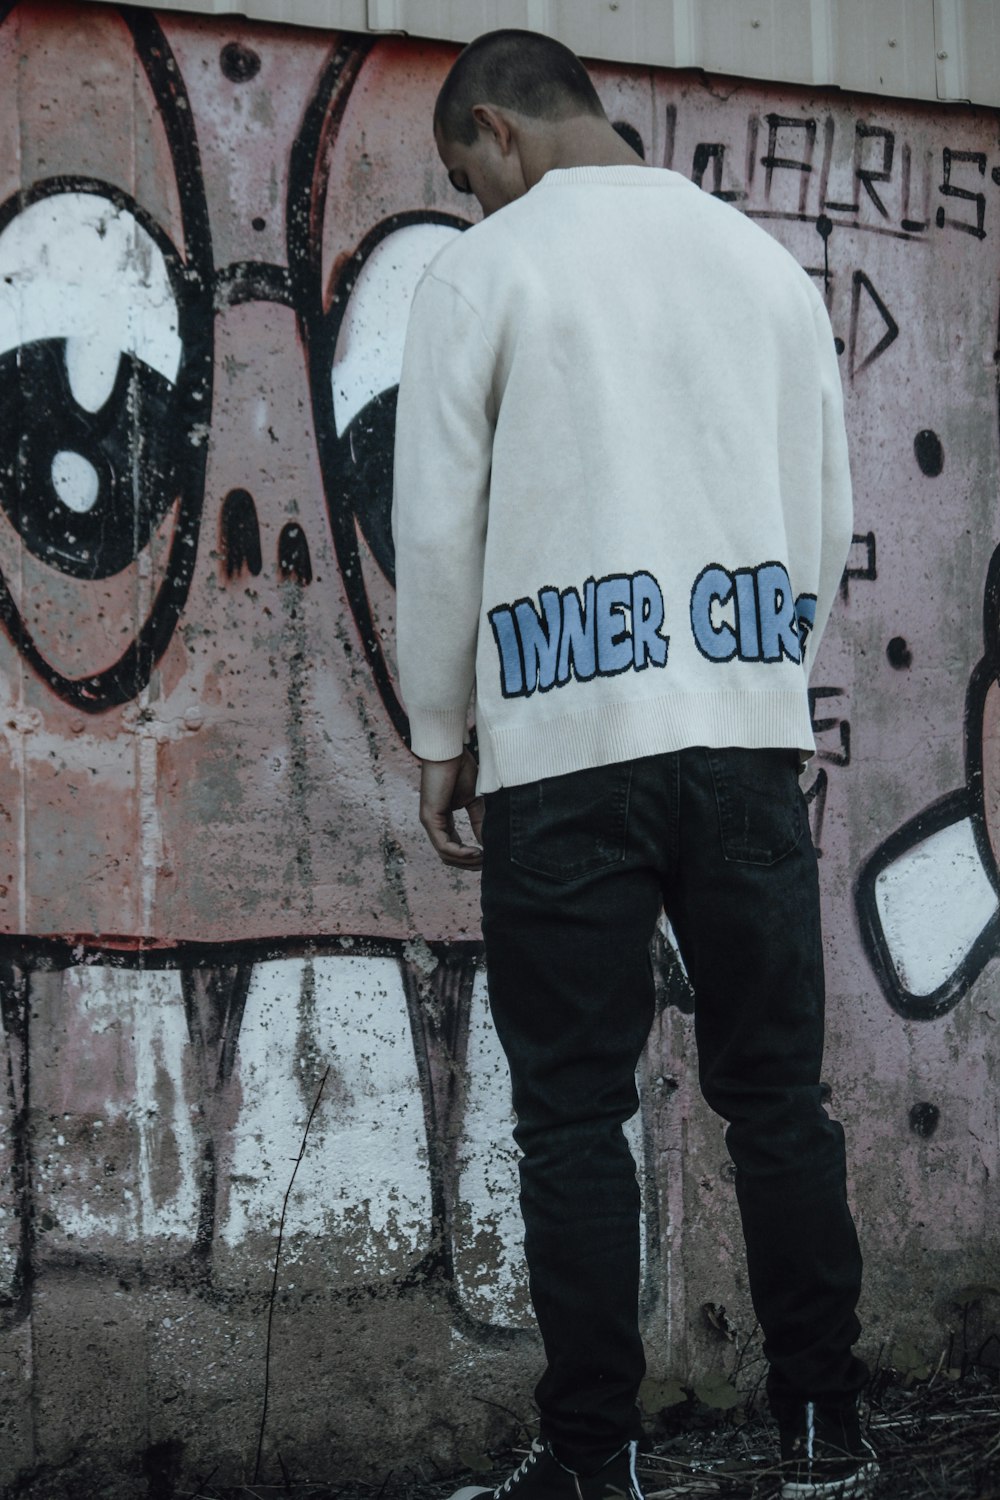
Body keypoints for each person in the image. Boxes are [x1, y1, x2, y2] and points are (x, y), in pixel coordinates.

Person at [391, 29, 877, 1500]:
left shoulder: (484, 273)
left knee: (570, 1119)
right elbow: (825, 506)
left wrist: (441, 732)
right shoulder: (759, 264)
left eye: (462, 174)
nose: (472, 200)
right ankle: (823, 1441)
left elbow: (434, 526)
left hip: (561, 749)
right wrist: (752, 664)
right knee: (779, 1102)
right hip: (739, 738)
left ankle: (596, 1465)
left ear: (497, 129)